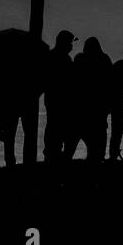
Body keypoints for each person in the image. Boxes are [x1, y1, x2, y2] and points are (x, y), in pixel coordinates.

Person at [69, 37, 111, 162]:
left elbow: (72, 84)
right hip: (96, 113)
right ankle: (94, 174)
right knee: (97, 149)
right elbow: (110, 85)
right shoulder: (104, 60)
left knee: (70, 147)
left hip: (79, 111)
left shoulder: (79, 60)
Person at [43, 30, 77, 163]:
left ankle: (53, 157)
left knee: (56, 130)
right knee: (55, 130)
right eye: (70, 43)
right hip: (58, 103)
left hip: (57, 102)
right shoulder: (58, 59)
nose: (71, 46)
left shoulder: (55, 57)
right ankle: (53, 158)